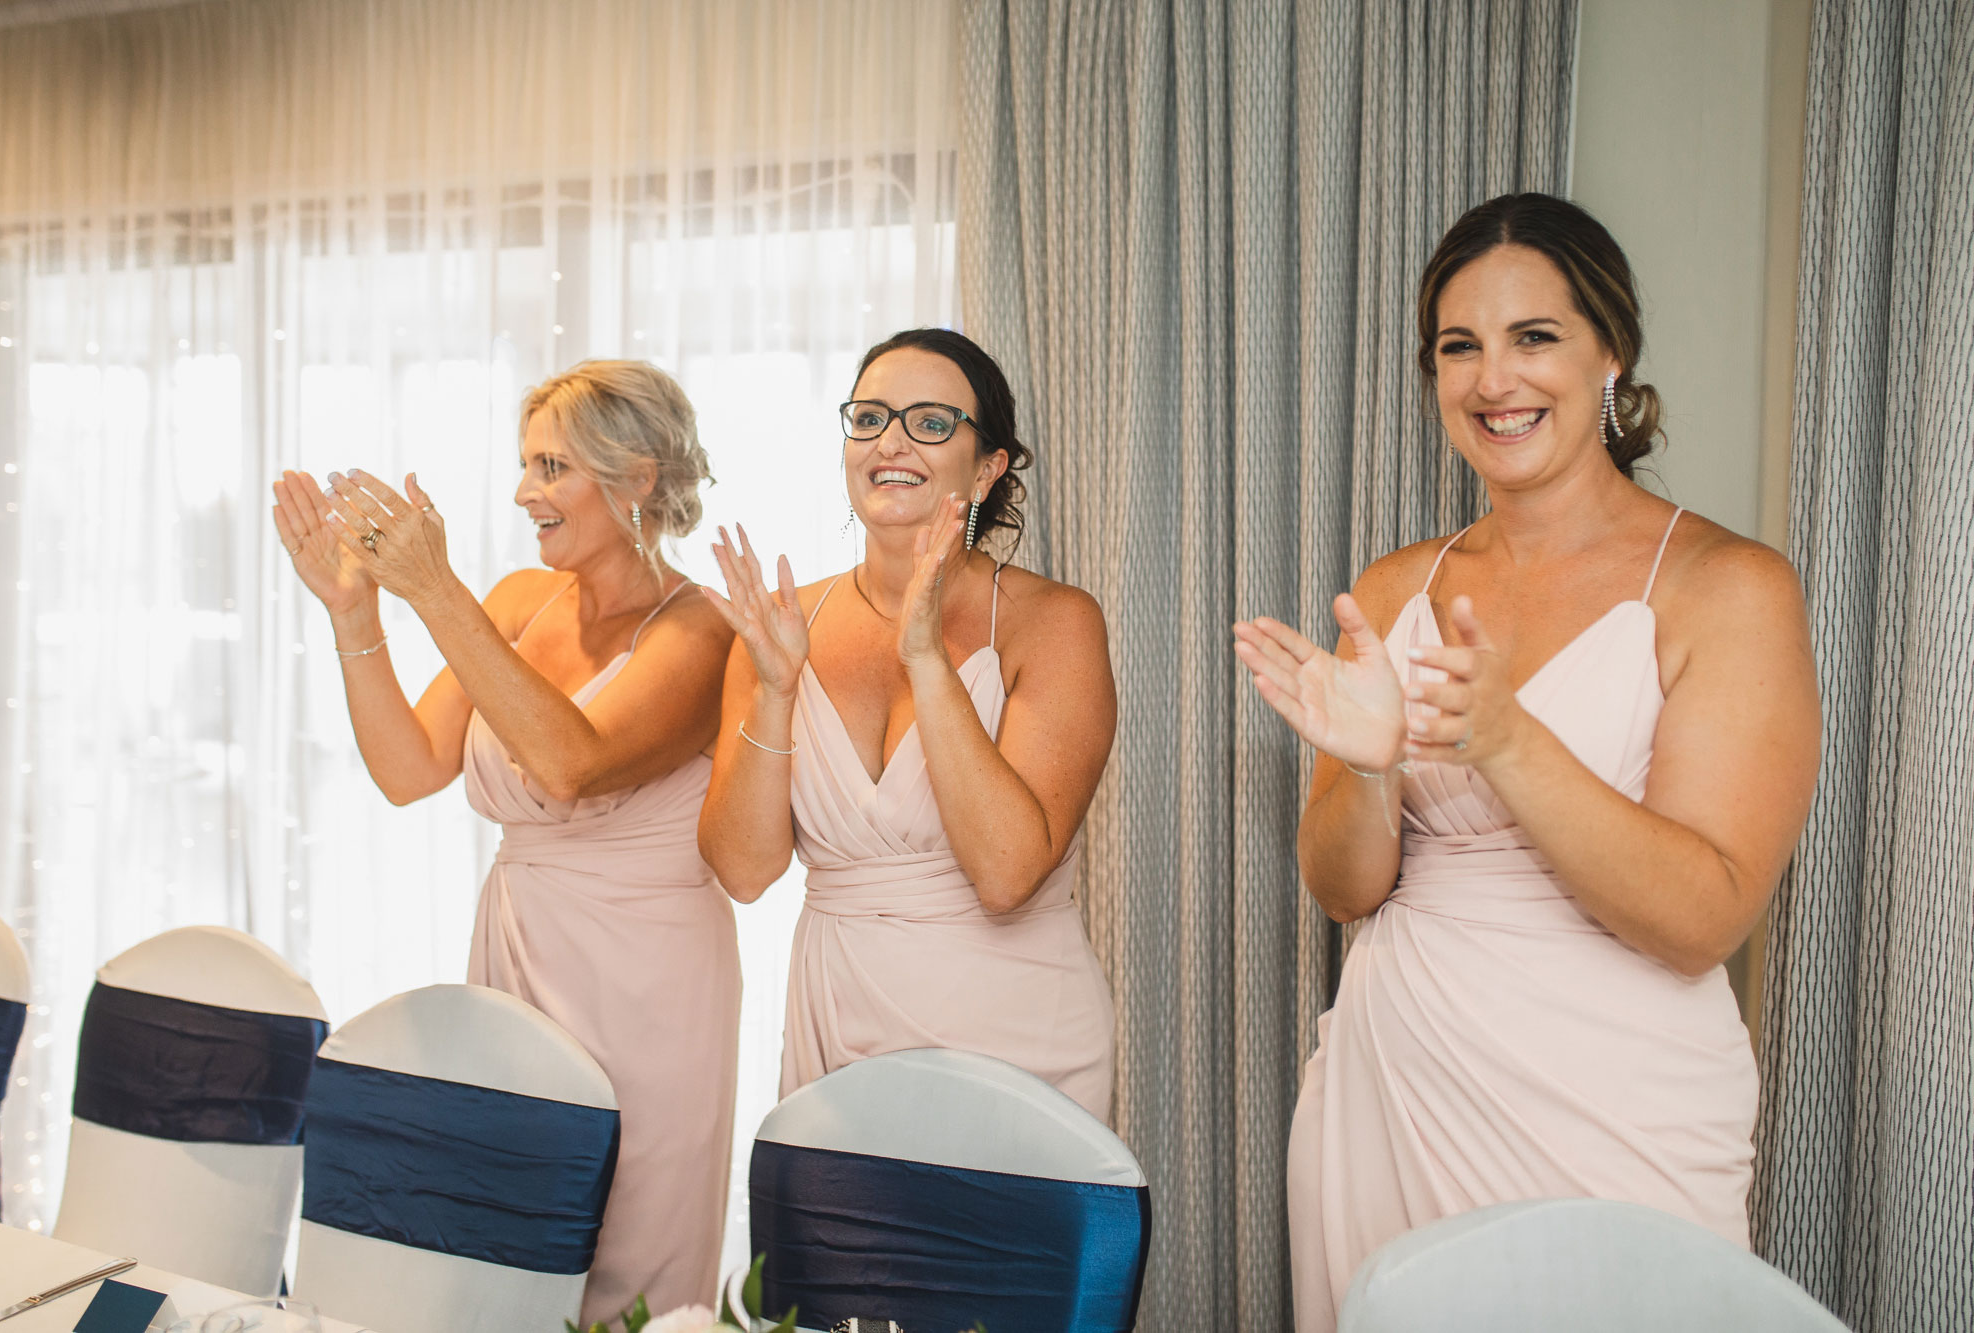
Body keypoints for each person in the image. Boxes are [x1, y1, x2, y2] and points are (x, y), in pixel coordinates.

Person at [1232, 193, 1820, 1331]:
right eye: (1458, 347)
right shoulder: (1398, 584)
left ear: (1611, 351)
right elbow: (1344, 888)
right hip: (1394, 1084)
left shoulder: (1726, 587)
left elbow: (1704, 914)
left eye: (1532, 337)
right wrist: (1362, 768)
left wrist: (1505, 741)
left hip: (1612, 1097)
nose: (1492, 379)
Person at [270, 360, 740, 1317]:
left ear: (638, 478)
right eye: (526, 465)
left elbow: (572, 762)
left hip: (648, 981)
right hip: (520, 946)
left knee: (626, 1250)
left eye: (551, 467)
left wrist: (434, 589)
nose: (525, 492)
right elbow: (410, 771)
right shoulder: (521, 600)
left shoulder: (703, 630)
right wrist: (355, 611)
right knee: (505, 1226)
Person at [696, 328, 1118, 1119]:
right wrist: (776, 691)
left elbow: (1005, 873)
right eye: (870, 418)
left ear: (988, 467)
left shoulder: (1053, 623)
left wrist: (926, 657)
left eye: (930, 422)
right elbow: (745, 872)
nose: (891, 440)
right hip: (835, 1039)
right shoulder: (782, 624)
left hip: (1017, 1046)